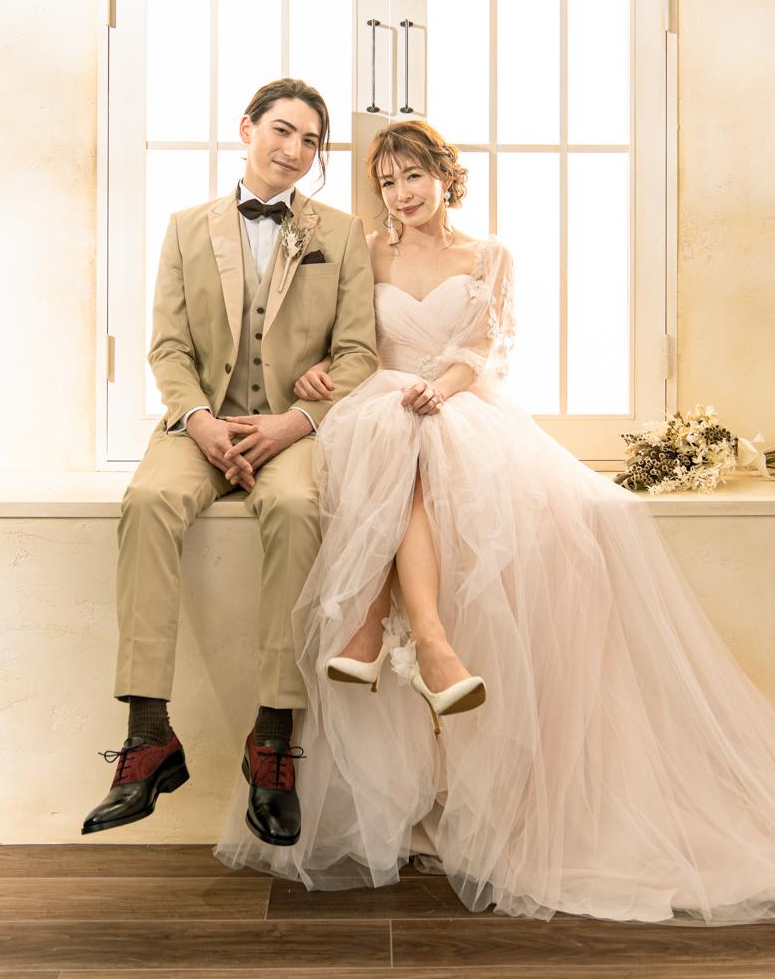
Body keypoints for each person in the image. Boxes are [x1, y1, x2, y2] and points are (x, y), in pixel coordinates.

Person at [216, 118, 775, 923]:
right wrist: (321, 371)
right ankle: (431, 646)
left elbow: (481, 351)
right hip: (381, 407)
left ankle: (375, 628)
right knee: (393, 431)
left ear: (445, 176)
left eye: (413, 177)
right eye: (387, 183)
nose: (401, 195)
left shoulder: (489, 255)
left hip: (459, 404)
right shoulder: (366, 252)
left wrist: (438, 390)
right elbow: (354, 345)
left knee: (419, 436)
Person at [82, 78, 378, 845]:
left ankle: (273, 737)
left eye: (311, 141)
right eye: (282, 130)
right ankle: (148, 733)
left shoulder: (341, 234)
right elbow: (168, 348)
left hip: (290, 431)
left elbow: (359, 353)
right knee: (148, 501)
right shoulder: (186, 228)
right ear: (247, 128)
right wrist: (201, 422)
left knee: (298, 507)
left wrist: (294, 422)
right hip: (200, 426)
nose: (295, 150)